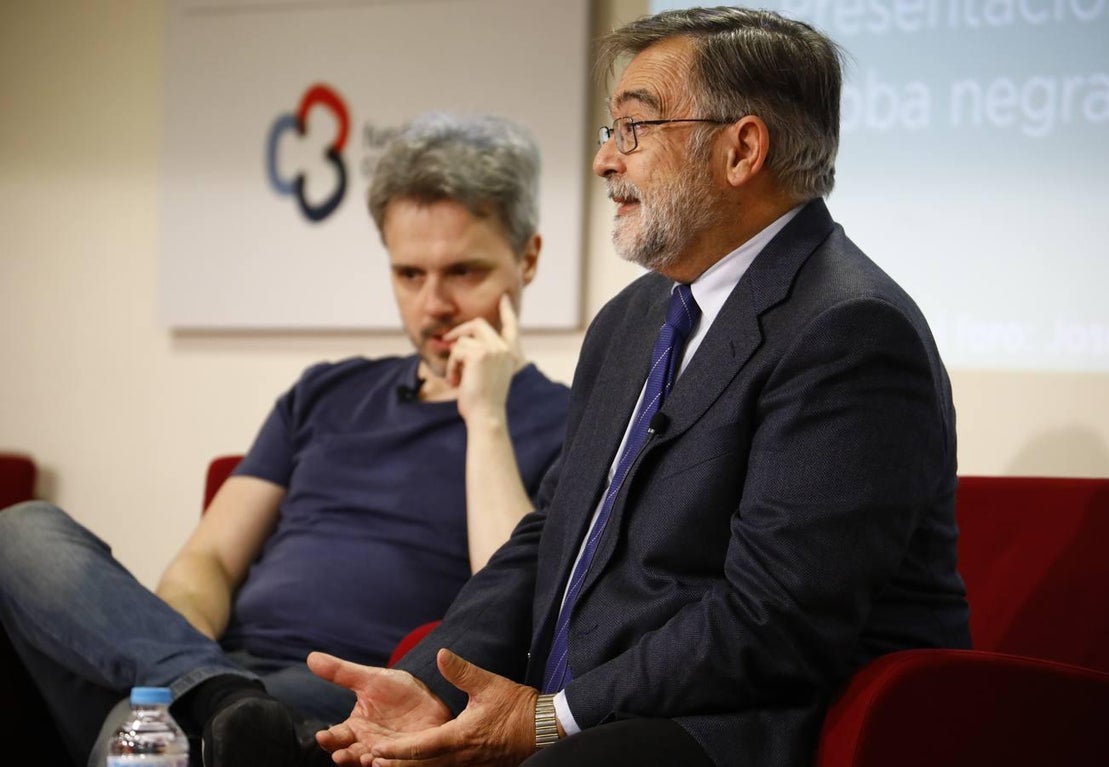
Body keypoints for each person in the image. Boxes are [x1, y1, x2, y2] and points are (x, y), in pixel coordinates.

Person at [305, 7, 972, 767]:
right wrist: (434, 680)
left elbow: (774, 621)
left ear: (741, 148)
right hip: (597, 712)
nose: (604, 162)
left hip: (741, 727)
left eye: (633, 129)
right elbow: (550, 535)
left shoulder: (848, 330)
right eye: (608, 132)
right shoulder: (633, 317)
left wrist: (554, 718)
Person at [0, 112, 570, 767]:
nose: (433, 302)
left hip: (345, 705)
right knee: (22, 532)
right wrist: (179, 665)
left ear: (527, 258)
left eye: (464, 272)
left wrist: (487, 415)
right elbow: (207, 560)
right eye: (409, 274)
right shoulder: (325, 391)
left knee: (141, 744)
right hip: (218, 673)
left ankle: (221, 720)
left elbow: (506, 607)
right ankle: (217, 700)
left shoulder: (569, 418)